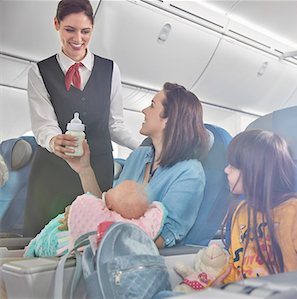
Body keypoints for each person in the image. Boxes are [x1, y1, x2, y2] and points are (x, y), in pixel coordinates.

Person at [24, 0, 140, 237]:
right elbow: (43, 125)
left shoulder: (110, 70)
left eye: (85, 31)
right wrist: (54, 141)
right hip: (53, 172)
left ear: (92, 29)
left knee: (94, 239)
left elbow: (115, 124)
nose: (78, 38)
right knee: (49, 240)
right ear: (56, 25)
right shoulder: (39, 72)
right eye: (70, 30)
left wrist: (145, 147)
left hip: (98, 168)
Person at [64, 82, 210, 249]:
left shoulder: (190, 172)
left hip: (135, 258)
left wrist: (103, 246)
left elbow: (166, 235)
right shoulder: (138, 156)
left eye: (152, 106)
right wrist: (84, 169)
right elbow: (108, 207)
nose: (144, 111)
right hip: (107, 244)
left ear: (168, 119)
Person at [218, 130, 297, 283]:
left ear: (256, 170)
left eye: (233, 166)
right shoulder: (241, 210)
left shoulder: (295, 208)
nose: (226, 170)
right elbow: (236, 264)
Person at [24, 180, 166, 257]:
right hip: (69, 247)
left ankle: (33, 248)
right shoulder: (130, 225)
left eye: (112, 190)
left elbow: (87, 206)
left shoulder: (102, 217)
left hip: (62, 247)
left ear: (109, 205)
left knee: (48, 234)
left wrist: (76, 211)